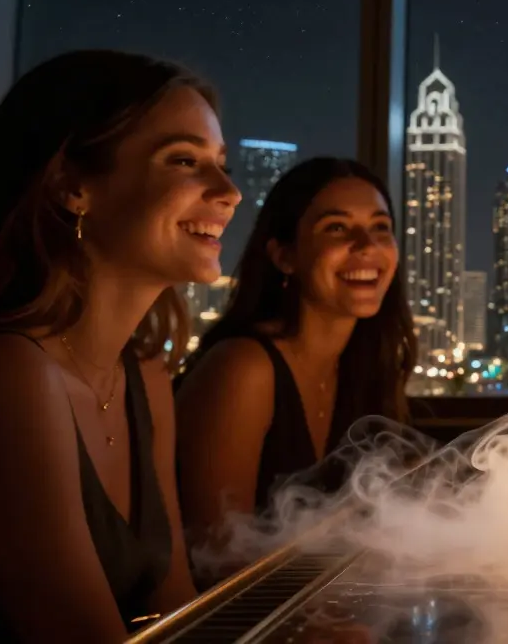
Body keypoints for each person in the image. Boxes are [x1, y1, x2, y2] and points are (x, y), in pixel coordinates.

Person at [0, 50, 239, 640]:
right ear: (72, 186)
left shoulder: (145, 376)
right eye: (185, 160)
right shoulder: (10, 373)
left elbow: (176, 612)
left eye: (221, 164)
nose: (228, 191)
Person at [175, 157, 416, 556]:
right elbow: (216, 554)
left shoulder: (364, 367)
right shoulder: (243, 368)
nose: (367, 245)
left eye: (380, 228)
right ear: (284, 256)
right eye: (337, 228)